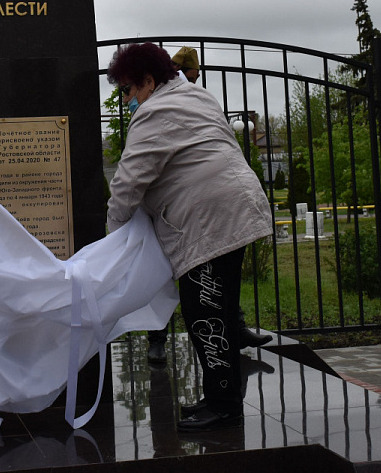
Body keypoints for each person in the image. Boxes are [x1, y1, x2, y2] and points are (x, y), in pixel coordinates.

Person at [106, 43, 272, 432]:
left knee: (205, 315)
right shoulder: (195, 96)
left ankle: (225, 405)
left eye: (128, 90)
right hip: (234, 210)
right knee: (217, 311)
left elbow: (128, 183)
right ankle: (221, 396)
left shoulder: (155, 113)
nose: (127, 100)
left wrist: (111, 240)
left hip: (211, 221)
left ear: (149, 81)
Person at [144, 45, 269, 365]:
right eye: (188, 75)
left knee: (218, 270)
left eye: (195, 77)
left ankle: (235, 327)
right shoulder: (149, 102)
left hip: (197, 204)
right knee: (160, 273)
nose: (192, 82)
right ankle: (157, 338)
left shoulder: (196, 100)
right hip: (164, 203)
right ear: (174, 73)